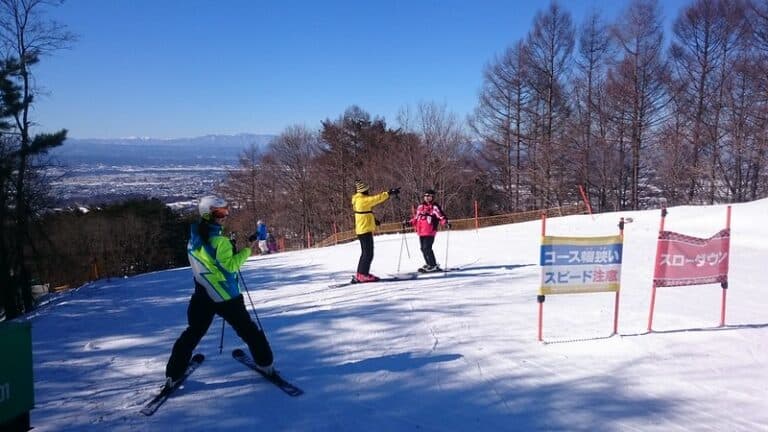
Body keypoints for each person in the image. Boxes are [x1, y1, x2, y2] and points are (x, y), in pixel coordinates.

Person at [164, 195, 274, 388]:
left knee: (193, 333)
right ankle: (266, 364)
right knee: (248, 331)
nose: (224, 215)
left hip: (202, 295)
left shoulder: (193, 239)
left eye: (226, 210)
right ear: (208, 215)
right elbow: (231, 266)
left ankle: (173, 373)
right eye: (220, 212)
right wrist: (248, 250)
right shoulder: (220, 242)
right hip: (226, 297)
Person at [351, 180, 400, 282]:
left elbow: (365, 213)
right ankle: (362, 274)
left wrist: (373, 220)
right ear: (364, 190)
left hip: (363, 228)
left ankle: (361, 273)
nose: (369, 191)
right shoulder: (362, 200)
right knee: (367, 253)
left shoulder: (358, 199)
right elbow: (376, 199)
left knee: (366, 252)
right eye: (367, 190)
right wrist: (389, 193)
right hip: (364, 230)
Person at [406, 189, 449, 272]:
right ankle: (429, 263)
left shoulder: (434, 207)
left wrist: (445, 222)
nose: (427, 198)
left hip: (430, 230)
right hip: (421, 231)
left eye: (429, 196)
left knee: (427, 248)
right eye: (425, 196)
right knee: (422, 248)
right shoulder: (420, 207)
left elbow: (440, 216)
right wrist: (409, 223)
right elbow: (416, 218)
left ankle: (433, 265)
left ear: (432, 197)